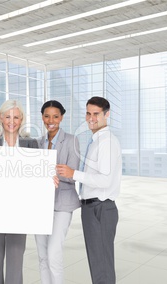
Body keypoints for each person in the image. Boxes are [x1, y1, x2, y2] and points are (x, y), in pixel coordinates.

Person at [56, 96, 122, 284]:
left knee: (102, 267)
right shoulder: (96, 140)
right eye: (88, 113)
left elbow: (105, 181)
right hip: (93, 209)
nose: (91, 118)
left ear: (107, 114)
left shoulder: (107, 142)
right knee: (97, 263)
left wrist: (73, 173)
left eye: (96, 114)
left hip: (100, 209)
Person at [0, 99, 38, 284]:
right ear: (0, 117)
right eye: (8, 116)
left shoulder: (31, 144)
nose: (12, 121)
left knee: (15, 257)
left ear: (22, 119)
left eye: (16, 117)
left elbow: (37, 175)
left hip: (19, 211)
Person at [34, 100, 80, 284]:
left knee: (53, 253)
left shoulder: (71, 140)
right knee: (42, 256)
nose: (50, 120)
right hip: (40, 205)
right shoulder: (37, 143)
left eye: (55, 116)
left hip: (62, 203)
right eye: (46, 116)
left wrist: (47, 172)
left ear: (61, 117)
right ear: (42, 117)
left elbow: (72, 174)